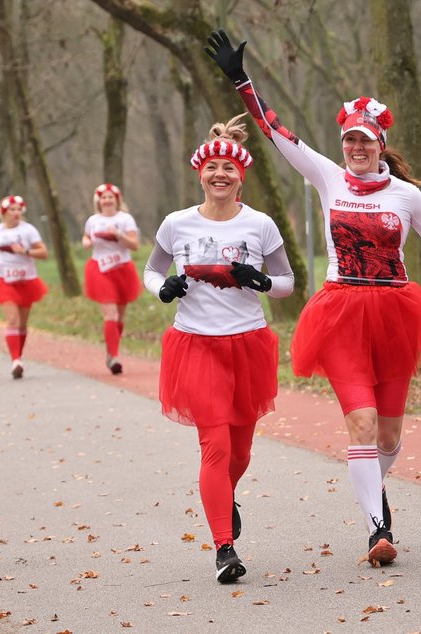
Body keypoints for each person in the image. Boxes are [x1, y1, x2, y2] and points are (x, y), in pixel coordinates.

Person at [205, 29, 421, 566]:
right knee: (363, 424)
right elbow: (277, 133)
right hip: (342, 311)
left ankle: (373, 485)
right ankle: (377, 531)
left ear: (380, 146)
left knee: (390, 436)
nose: (355, 149)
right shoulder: (328, 177)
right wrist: (242, 82)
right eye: (349, 140)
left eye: (364, 142)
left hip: (396, 311)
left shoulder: (407, 195)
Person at [142, 115, 295, 583]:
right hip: (196, 345)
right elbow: (151, 271)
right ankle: (224, 547)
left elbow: (288, 284)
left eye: (229, 168)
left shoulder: (261, 225)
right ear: (201, 173)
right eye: (213, 168)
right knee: (215, 444)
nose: (220, 174)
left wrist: (264, 281)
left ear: (240, 175)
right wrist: (162, 288)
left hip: (247, 343)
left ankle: (224, 499)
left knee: (241, 452)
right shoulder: (176, 224)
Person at [0, 195, 49, 379]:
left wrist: (26, 251)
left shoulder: (29, 231)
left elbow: (44, 252)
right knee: (12, 320)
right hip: (3, 279)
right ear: (3, 212)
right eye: (12, 210)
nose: (16, 213)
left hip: (26, 280)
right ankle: (16, 361)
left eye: (19, 209)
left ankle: (18, 354)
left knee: (23, 323)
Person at [81, 183, 141, 374]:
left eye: (110, 197)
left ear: (117, 200)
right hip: (99, 268)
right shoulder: (93, 220)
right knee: (111, 314)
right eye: (103, 198)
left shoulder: (125, 219)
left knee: (120, 317)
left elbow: (134, 245)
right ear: (98, 201)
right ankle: (114, 357)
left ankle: (110, 350)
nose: (107, 201)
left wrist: (118, 234)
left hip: (122, 269)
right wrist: (86, 241)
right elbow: (86, 237)